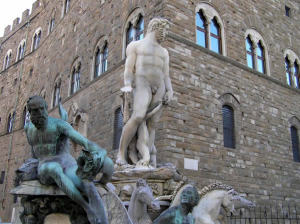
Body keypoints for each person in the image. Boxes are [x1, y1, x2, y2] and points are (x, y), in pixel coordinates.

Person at [25, 95, 113, 224]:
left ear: (46, 108)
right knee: (54, 168)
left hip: (66, 163)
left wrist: (100, 152)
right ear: (30, 113)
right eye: (35, 111)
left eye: (42, 109)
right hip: (45, 166)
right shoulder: (28, 128)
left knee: (86, 182)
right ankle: (87, 208)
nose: (40, 113)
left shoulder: (59, 125)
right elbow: (34, 153)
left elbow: (83, 141)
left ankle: (102, 220)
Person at [117, 18, 173, 167]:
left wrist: (170, 90)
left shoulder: (164, 52)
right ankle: (121, 154)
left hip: (159, 86)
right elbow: (128, 69)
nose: (166, 34)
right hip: (142, 83)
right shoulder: (136, 45)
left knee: (152, 124)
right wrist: (128, 85)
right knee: (138, 116)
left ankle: (146, 160)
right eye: (165, 30)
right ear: (156, 28)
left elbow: (166, 74)